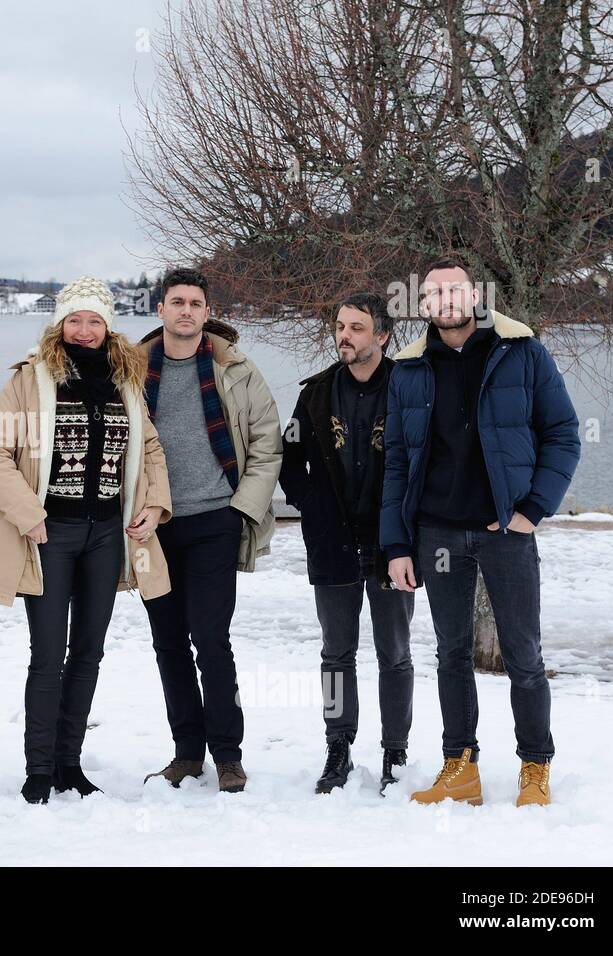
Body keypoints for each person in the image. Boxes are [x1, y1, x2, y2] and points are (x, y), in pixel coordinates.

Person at [0, 277, 172, 804]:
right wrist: (28, 515)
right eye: (74, 320)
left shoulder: (127, 378)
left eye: (94, 321)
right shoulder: (31, 379)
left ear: (107, 327)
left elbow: (151, 448)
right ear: (60, 324)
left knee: (89, 652)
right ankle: (38, 768)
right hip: (49, 533)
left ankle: (69, 764)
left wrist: (153, 505)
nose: (83, 330)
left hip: (108, 535)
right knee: (47, 654)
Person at [382, 255, 581, 807]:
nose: (445, 301)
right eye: (433, 294)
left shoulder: (522, 353)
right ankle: (460, 766)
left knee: (523, 653)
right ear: (422, 305)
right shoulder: (410, 369)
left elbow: (563, 433)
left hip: (507, 532)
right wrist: (397, 544)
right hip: (438, 533)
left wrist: (534, 508)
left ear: (476, 297)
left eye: (455, 291)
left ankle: (534, 767)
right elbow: (397, 462)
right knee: (451, 653)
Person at [137, 267, 282, 794]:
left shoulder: (236, 369)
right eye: (177, 302)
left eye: (196, 303)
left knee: (211, 640)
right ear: (161, 310)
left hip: (215, 522)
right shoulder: (133, 370)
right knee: (168, 643)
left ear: (206, 311)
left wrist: (242, 509)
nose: (186, 311)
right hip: (152, 528)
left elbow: (268, 443)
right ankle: (186, 753)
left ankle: (228, 756)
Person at [280, 292, 414, 795]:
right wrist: (311, 506)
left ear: (382, 336)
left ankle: (395, 752)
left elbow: (426, 457)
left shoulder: (407, 387)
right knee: (336, 654)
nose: (345, 335)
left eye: (357, 328)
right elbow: (288, 457)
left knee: (394, 654)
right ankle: (338, 746)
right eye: (340, 326)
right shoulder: (315, 395)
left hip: (392, 543)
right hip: (332, 542)